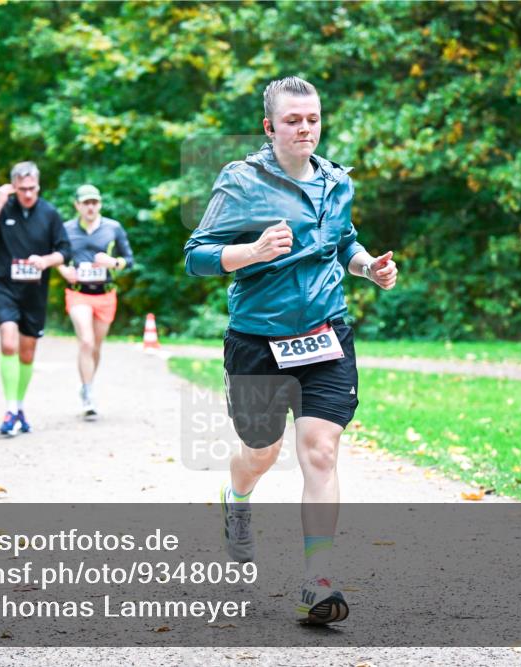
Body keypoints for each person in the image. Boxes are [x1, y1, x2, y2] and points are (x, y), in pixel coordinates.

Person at [183, 76, 398, 625]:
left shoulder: (337, 181)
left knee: (321, 451)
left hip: (326, 334)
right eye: (293, 121)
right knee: (261, 452)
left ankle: (317, 581)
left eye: (313, 119)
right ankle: (236, 495)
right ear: (270, 127)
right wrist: (251, 251)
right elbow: (197, 256)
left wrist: (368, 267)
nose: (305, 129)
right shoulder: (242, 181)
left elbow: (342, 241)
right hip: (258, 339)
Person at [0, 161, 71, 436]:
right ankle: (9, 409)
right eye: (22, 189)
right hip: (4, 286)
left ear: (38, 186)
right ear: (13, 187)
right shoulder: (3, 208)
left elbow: (65, 251)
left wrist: (45, 260)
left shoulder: (49, 213)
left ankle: (18, 406)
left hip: (34, 291)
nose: (28, 194)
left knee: (27, 353)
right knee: (8, 342)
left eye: (32, 188)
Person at [56, 184, 134, 420]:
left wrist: (113, 263)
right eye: (86, 203)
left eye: (94, 202)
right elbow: (55, 255)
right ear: (77, 205)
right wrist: (63, 270)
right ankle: (89, 394)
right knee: (86, 342)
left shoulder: (113, 227)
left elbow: (129, 260)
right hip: (78, 292)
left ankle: (87, 384)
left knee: (96, 346)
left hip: (106, 293)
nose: (90, 207)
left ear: (99, 204)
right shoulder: (66, 229)